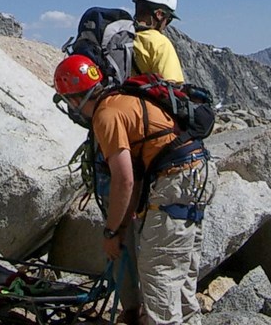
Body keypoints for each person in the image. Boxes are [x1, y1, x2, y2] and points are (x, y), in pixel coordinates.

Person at [53, 54, 217, 325]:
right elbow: (138, 172)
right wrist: (126, 220)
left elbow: (124, 179)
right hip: (197, 173)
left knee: (159, 273)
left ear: (73, 99)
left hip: (175, 179)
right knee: (182, 273)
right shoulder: (122, 99)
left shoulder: (105, 115)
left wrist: (111, 232)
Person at [132, 0, 184, 84]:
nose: (166, 25)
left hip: (110, 99)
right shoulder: (160, 43)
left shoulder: (119, 35)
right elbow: (171, 89)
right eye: (168, 19)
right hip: (139, 100)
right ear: (159, 14)